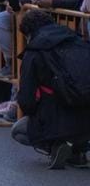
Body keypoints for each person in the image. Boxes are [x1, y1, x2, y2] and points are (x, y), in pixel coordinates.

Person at [12, 9, 90, 169]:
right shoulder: (79, 41)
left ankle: (55, 146)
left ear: (28, 33)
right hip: (86, 113)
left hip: (55, 117)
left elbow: (26, 100)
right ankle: (78, 151)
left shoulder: (34, 51)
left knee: (18, 131)